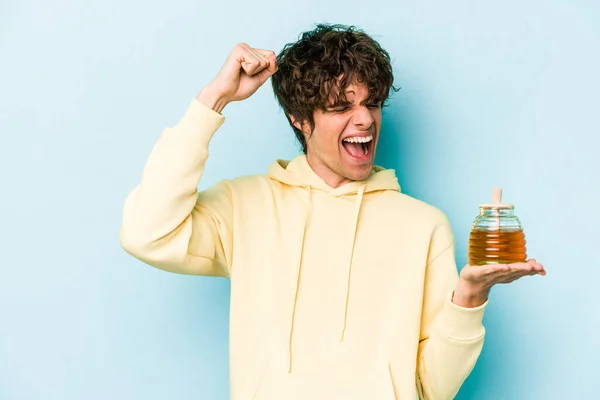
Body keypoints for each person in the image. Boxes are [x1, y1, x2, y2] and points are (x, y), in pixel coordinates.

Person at [119, 23, 546, 400]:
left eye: (371, 103)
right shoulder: (243, 206)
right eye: (342, 107)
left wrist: (470, 298)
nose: (364, 120)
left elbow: (433, 388)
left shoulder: (423, 226)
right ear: (300, 120)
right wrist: (213, 100)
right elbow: (146, 233)